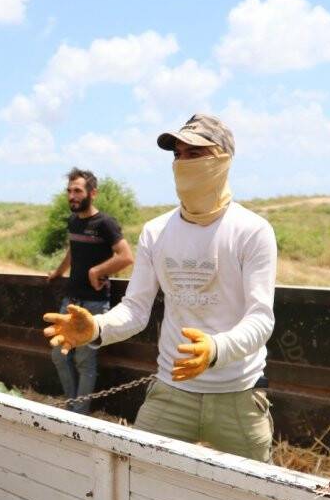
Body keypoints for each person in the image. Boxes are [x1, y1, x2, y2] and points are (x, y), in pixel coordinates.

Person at [42, 114, 277, 461]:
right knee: (137, 478)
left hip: (237, 395)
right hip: (172, 389)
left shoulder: (252, 231)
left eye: (195, 154)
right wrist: (97, 328)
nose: (183, 163)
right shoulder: (156, 231)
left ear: (223, 159)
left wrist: (215, 348)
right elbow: (136, 309)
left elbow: (261, 319)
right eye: (177, 155)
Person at [46, 168, 133, 412]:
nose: (72, 196)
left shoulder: (105, 223)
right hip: (70, 301)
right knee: (59, 356)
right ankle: (73, 405)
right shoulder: (73, 221)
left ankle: (78, 415)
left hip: (94, 304)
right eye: (69, 191)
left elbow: (126, 256)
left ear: (92, 193)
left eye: (77, 191)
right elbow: (73, 250)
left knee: (85, 361)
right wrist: (58, 272)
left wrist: (96, 271)